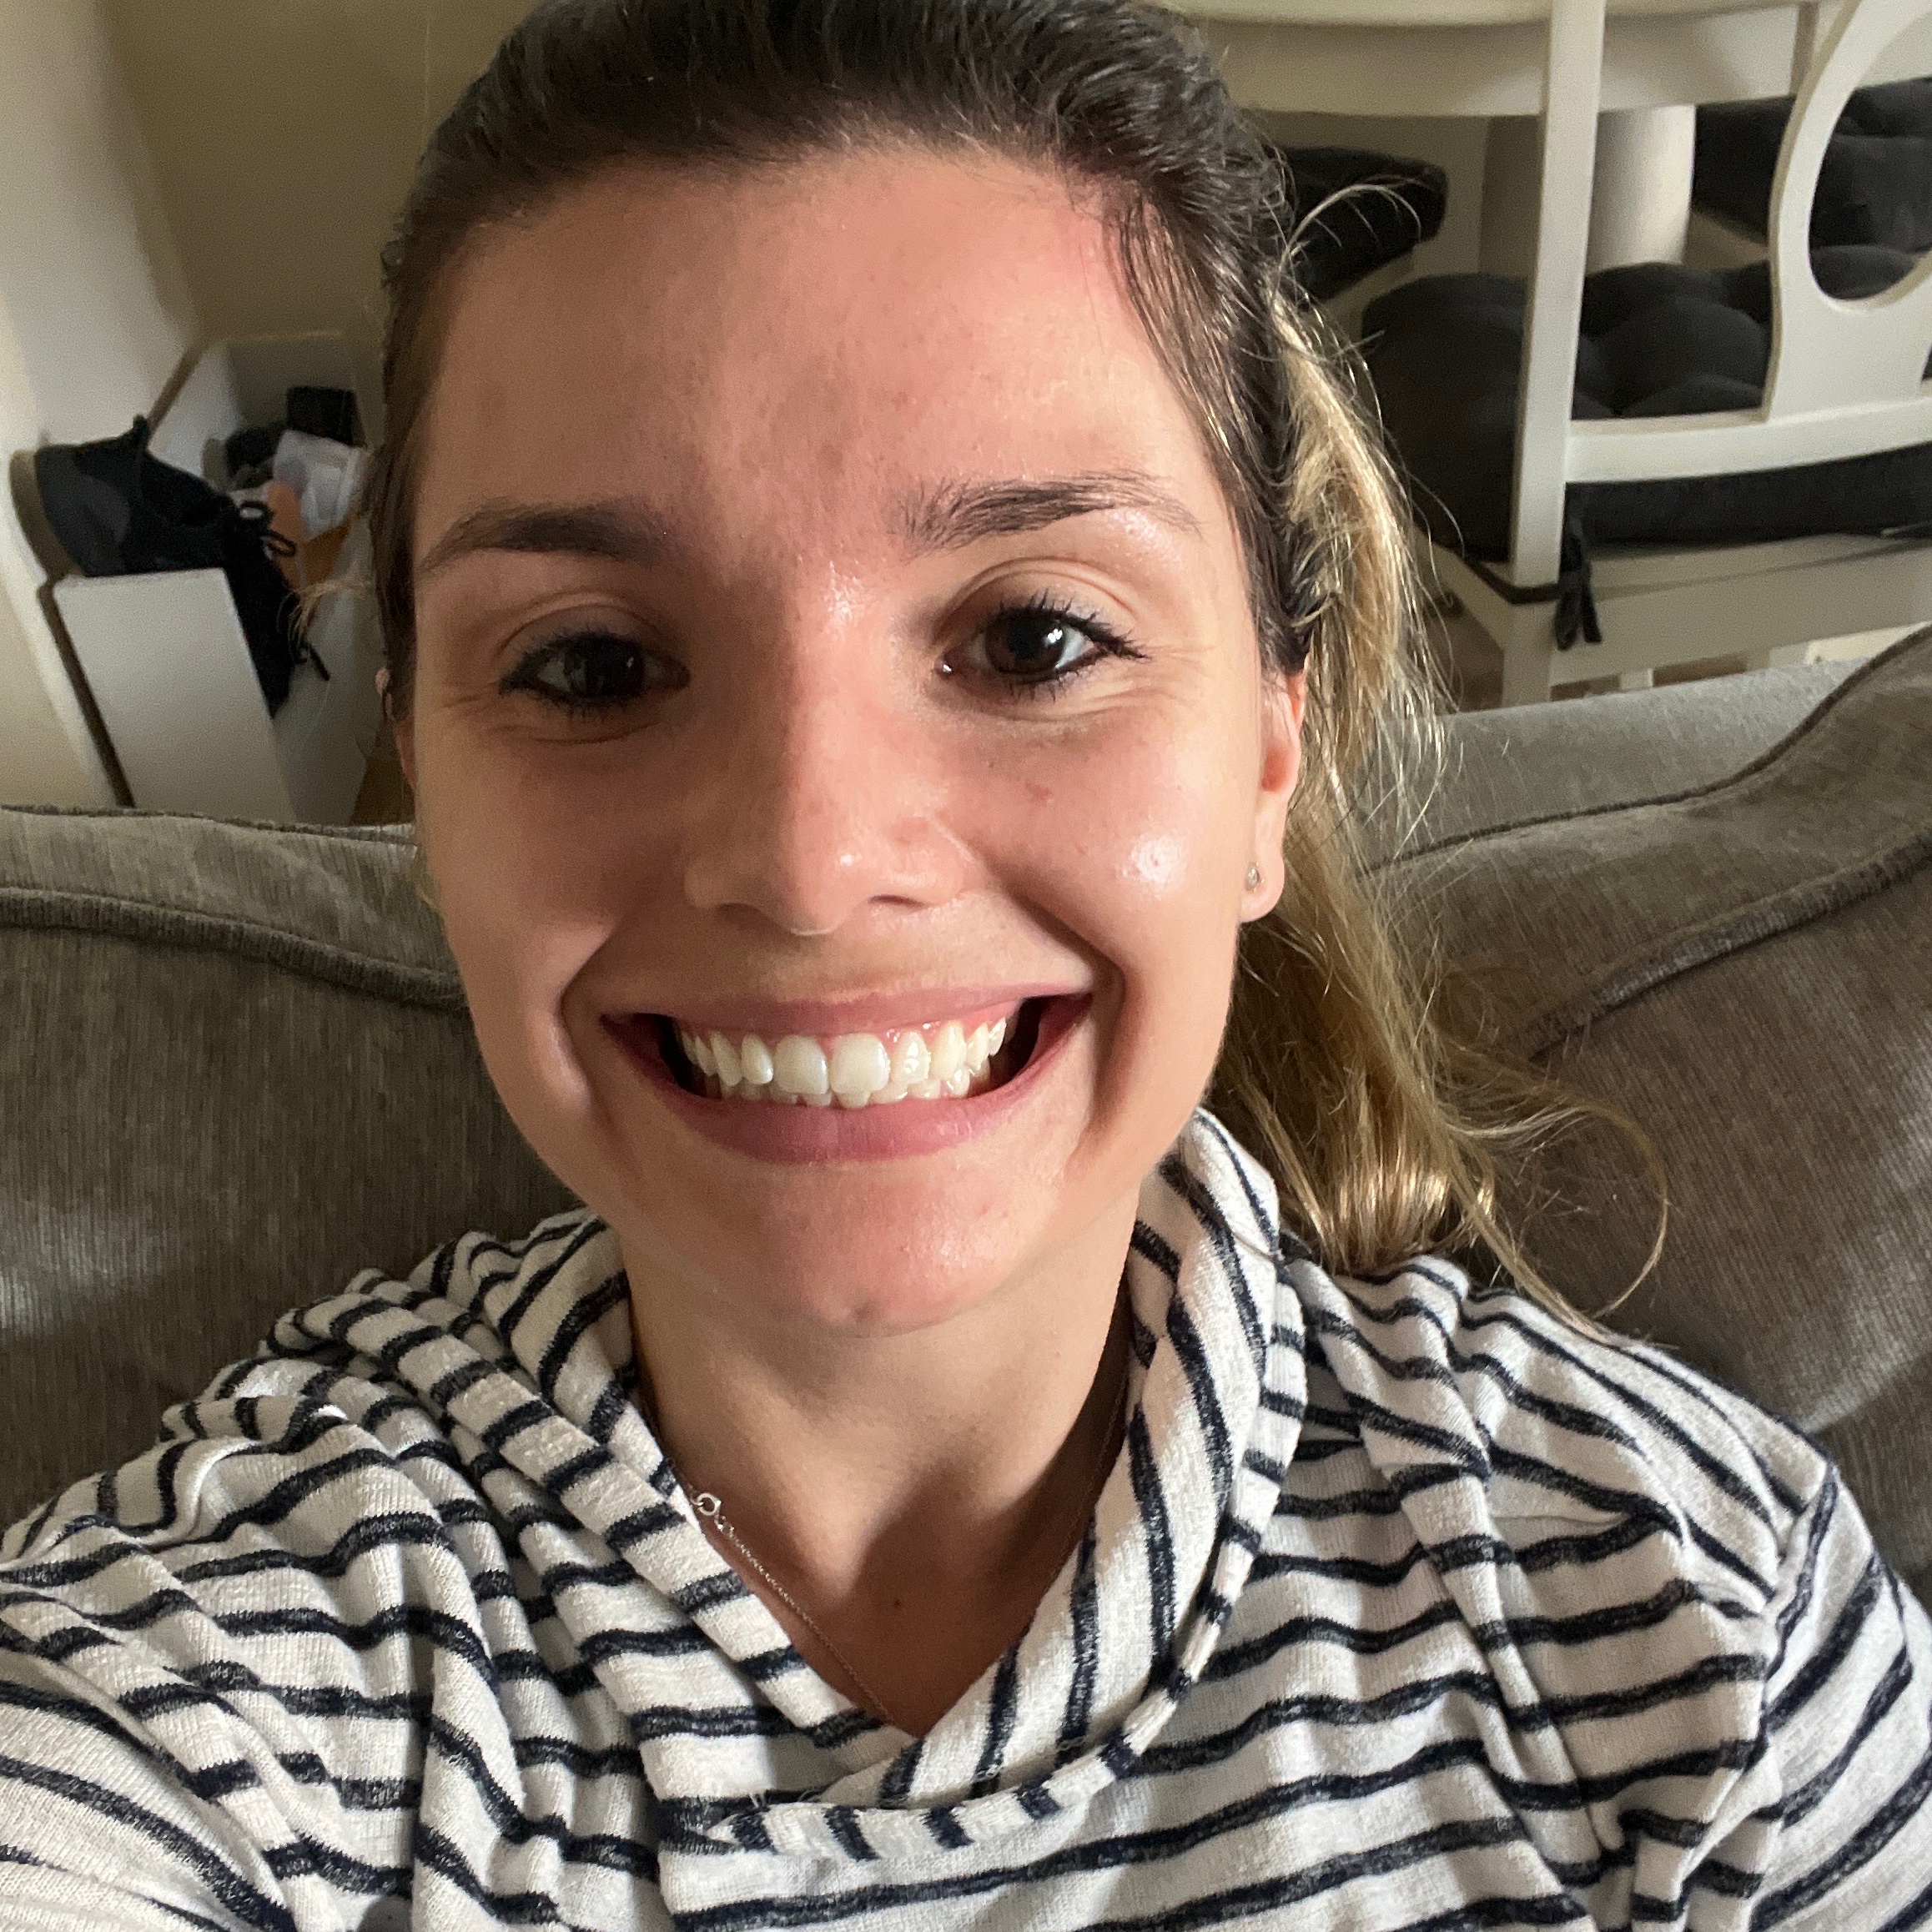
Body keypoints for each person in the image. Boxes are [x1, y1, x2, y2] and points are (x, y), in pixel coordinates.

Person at [3, 1, 1929, 1924]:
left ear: (1271, 752)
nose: (812, 865)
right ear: (425, 781)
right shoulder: (211, 1679)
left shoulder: (1701, 1632)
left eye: (1033, 640)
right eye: (593, 665)